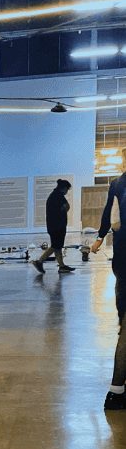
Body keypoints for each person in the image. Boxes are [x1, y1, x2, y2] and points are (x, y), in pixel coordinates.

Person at [91, 165, 126, 409]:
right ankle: (116, 391)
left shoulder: (118, 184)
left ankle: (117, 390)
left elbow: (109, 217)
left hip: (122, 261)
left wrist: (100, 237)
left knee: (124, 324)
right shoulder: (118, 185)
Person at [32, 179, 74, 274]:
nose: (67, 192)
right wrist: (65, 208)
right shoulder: (58, 196)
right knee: (55, 246)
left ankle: (62, 266)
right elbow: (66, 207)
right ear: (63, 188)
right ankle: (39, 261)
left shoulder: (55, 195)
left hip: (54, 226)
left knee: (58, 247)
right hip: (57, 226)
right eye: (67, 189)